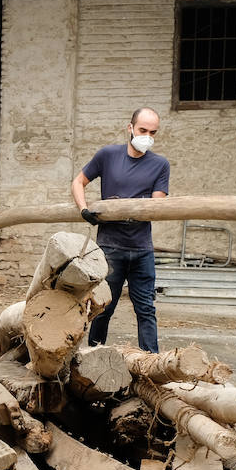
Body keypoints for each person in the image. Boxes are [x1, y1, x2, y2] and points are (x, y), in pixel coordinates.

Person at [72, 107, 169, 353]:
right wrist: (84, 209)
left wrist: (129, 206)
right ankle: (92, 356)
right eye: (143, 130)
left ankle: (151, 363)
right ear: (130, 128)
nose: (147, 136)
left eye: (153, 132)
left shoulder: (160, 165)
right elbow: (78, 182)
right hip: (110, 247)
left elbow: (157, 205)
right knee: (103, 306)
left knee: (146, 308)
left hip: (141, 249)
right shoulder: (108, 155)